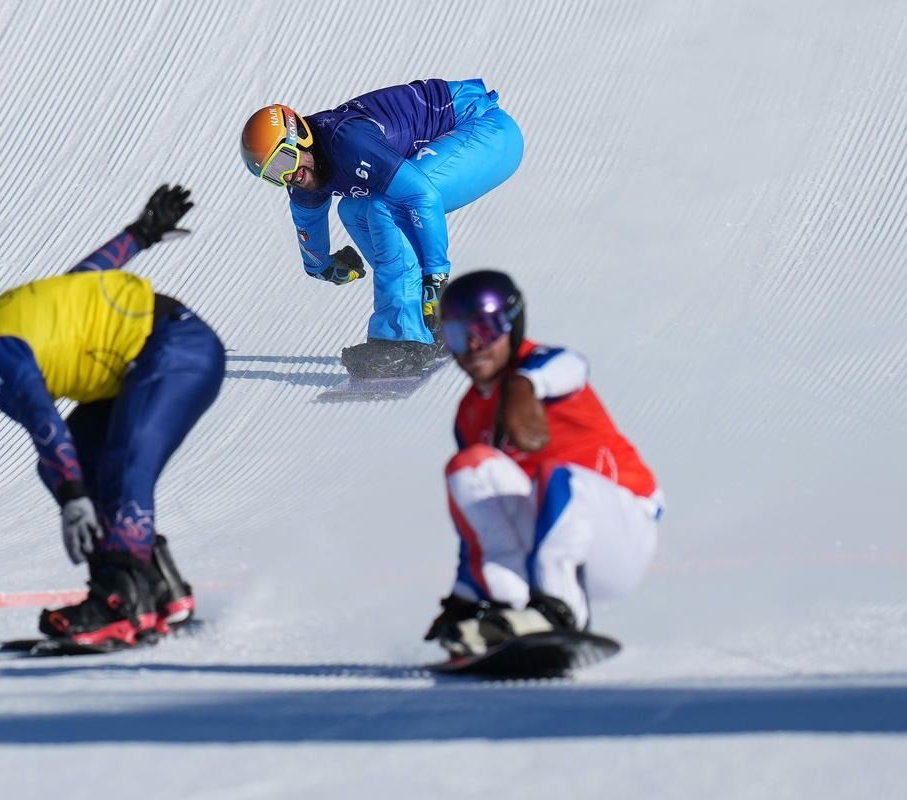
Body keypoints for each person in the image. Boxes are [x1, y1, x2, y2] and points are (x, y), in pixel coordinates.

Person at [0, 185, 225, 650]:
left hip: (173, 351)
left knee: (119, 464)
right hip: (156, 355)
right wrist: (138, 235)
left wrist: (75, 498)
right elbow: (79, 283)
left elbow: (45, 422)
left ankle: (121, 600)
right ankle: (157, 589)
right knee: (71, 465)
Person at [423, 270, 663, 658]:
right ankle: (505, 604)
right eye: (457, 334)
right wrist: (464, 597)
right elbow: (483, 523)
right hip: (546, 546)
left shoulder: (545, 365)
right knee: (469, 468)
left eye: (485, 328)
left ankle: (562, 612)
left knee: (559, 476)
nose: (473, 344)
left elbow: (573, 366)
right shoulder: (470, 414)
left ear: (512, 325)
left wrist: (523, 386)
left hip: (620, 534)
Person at [239, 78, 525, 378]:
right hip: (471, 133)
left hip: (487, 131)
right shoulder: (304, 172)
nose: (288, 175)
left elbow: (421, 196)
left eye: (285, 159)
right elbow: (308, 228)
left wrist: (436, 276)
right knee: (353, 210)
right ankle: (424, 321)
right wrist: (324, 266)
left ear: (302, 137)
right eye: (273, 174)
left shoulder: (348, 142)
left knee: (384, 205)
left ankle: (404, 336)